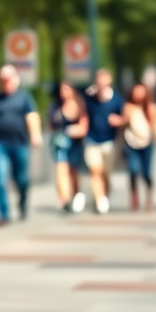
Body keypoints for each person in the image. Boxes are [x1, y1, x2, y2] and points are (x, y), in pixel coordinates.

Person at [0, 65, 43, 225]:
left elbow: (32, 117)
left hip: (19, 143)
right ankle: (3, 215)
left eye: (7, 80)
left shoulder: (24, 97)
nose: (5, 83)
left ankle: (22, 200)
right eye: (2, 80)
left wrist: (35, 133)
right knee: (0, 179)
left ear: (15, 80)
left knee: (20, 178)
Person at [119, 83, 156, 212]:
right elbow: (122, 123)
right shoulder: (128, 107)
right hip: (131, 142)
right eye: (136, 91)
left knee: (146, 173)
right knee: (133, 170)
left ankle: (149, 198)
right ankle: (134, 196)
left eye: (141, 92)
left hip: (146, 143)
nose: (138, 94)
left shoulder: (152, 108)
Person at [83, 69, 125, 214]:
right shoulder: (89, 98)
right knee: (95, 170)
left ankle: (105, 192)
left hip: (110, 141)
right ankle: (100, 200)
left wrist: (119, 121)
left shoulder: (117, 100)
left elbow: (124, 118)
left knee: (106, 173)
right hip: (92, 140)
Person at [47, 81, 88, 213]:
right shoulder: (56, 107)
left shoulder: (80, 106)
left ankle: (76, 194)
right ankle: (64, 199)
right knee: (61, 169)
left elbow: (84, 126)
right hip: (60, 143)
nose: (64, 92)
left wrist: (74, 130)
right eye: (62, 89)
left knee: (73, 172)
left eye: (67, 89)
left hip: (75, 143)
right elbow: (51, 124)